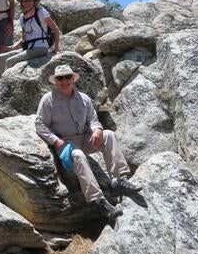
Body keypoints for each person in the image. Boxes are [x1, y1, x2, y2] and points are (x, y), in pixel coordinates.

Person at [35, 65, 142, 219]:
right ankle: (99, 201)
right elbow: (40, 124)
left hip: (85, 138)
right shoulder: (48, 100)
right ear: (55, 81)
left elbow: (93, 119)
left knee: (109, 134)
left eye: (67, 77)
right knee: (78, 154)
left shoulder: (84, 99)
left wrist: (97, 129)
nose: (64, 81)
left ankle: (119, 180)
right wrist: (55, 140)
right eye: (60, 78)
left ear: (73, 78)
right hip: (65, 145)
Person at [0, 0, 60, 78]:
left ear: (34, 2)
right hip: (28, 48)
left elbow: (55, 29)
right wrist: (11, 49)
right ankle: (2, 83)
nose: (27, 3)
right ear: (22, 2)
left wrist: (56, 49)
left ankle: (7, 86)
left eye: (29, 0)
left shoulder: (41, 12)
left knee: (10, 61)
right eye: (25, 1)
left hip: (40, 47)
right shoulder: (22, 17)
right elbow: (23, 39)